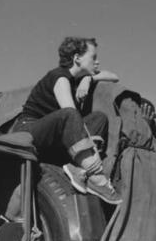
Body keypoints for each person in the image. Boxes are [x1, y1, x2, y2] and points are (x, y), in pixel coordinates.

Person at [7, 36, 122, 212]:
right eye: (93, 57)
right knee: (70, 114)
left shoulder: (75, 79)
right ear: (77, 58)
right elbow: (70, 114)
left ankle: (78, 169)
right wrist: (93, 157)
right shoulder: (60, 77)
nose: (97, 62)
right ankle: (95, 176)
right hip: (29, 129)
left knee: (98, 118)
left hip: (53, 136)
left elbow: (114, 77)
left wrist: (89, 79)